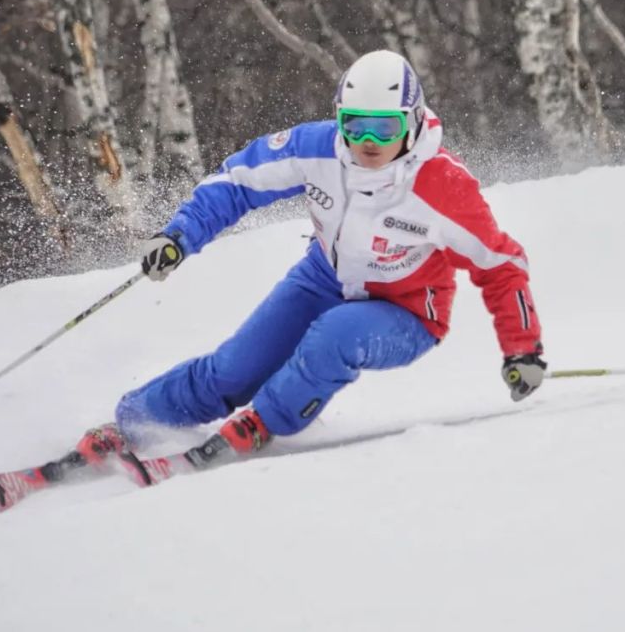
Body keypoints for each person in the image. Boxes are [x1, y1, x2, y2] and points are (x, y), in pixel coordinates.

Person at [77, 49, 546, 473]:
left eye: (385, 127)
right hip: (323, 279)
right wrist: (179, 237)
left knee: (334, 336)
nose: (367, 140)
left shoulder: (441, 185)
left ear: (414, 122)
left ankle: (263, 422)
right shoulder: (317, 149)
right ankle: (135, 420)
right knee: (234, 369)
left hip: (407, 311)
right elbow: (238, 181)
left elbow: (501, 265)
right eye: (354, 123)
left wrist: (522, 349)